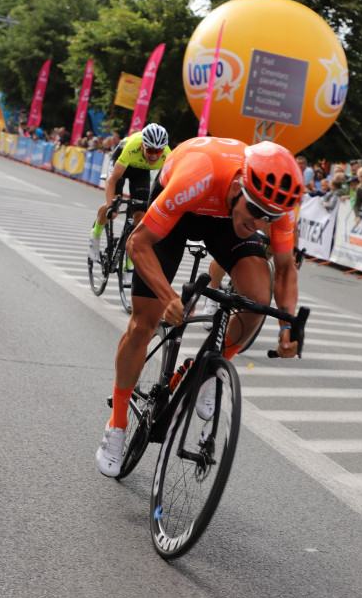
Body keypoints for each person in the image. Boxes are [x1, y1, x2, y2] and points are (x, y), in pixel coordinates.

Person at [95, 138, 304, 475]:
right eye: (256, 212)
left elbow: (283, 269)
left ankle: (209, 371)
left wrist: (287, 326)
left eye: (269, 217)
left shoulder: (271, 203)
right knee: (143, 325)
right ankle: (117, 424)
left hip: (223, 220)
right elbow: (137, 243)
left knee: (256, 301)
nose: (261, 223)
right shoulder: (199, 174)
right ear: (239, 186)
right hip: (182, 210)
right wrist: (168, 298)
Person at [88, 123, 170, 262]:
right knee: (113, 208)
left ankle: (130, 266)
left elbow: (168, 187)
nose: (154, 156)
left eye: (158, 152)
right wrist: (110, 206)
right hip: (122, 166)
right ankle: (95, 236)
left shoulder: (168, 155)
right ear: (143, 146)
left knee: (140, 217)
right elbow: (112, 179)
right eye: (150, 150)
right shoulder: (132, 147)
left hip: (141, 172)